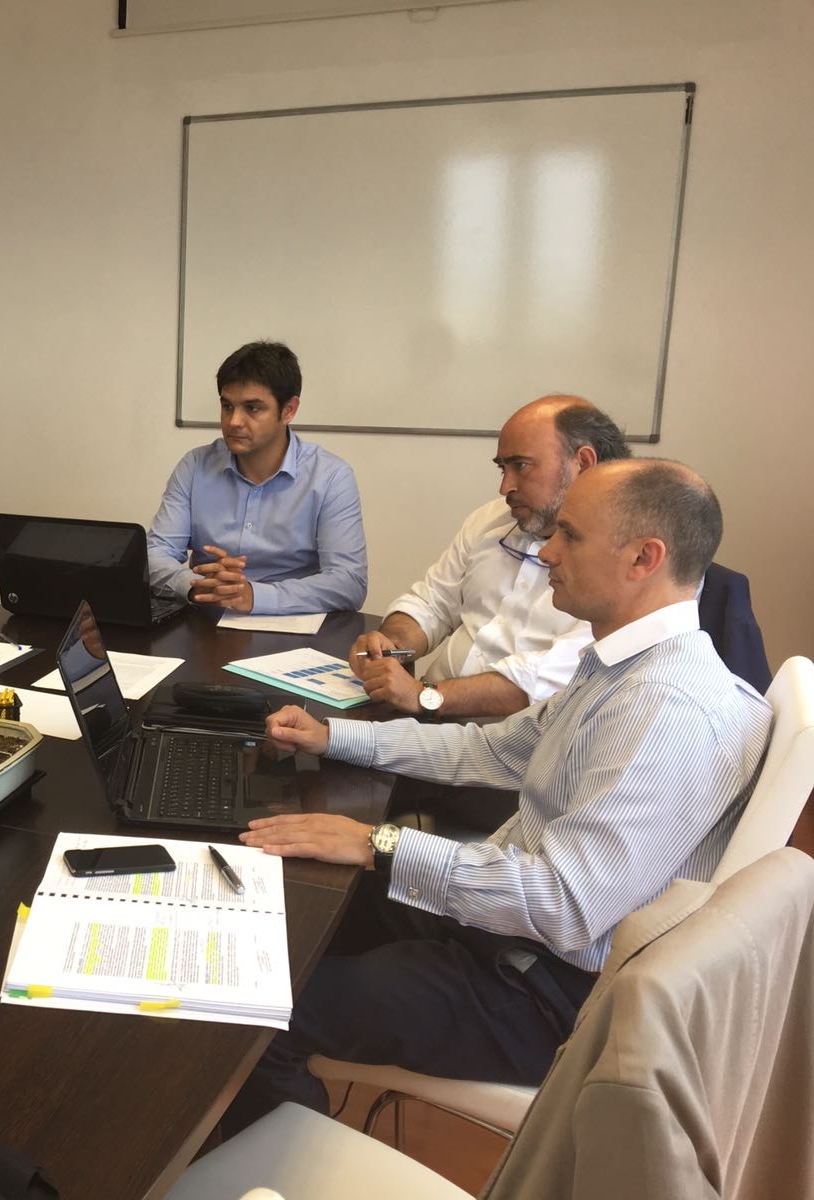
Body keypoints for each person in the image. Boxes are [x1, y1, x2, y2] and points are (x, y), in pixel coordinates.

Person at [218, 458, 772, 1133]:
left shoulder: (666, 711)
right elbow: (491, 750)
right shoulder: (623, 666)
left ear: (643, 559)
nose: (547, 552)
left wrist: (379, 843)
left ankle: (275, 1165)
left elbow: (566, 905)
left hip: (544, 994)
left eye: (570, 535)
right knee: (291, 905)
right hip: (507, 938)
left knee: (251, 1006)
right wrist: (332, 737)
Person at [351, 395, 628, 720]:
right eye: (502, 468)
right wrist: (391, 646)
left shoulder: (624, 560)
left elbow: (553, 678)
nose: (505, 486)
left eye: (521, 466)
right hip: (426, 713)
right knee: (313, 734)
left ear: (583, 463)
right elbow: (433, 602)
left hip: (504, 737)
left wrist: (424, 696)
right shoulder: (491, 519)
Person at [146, 341, 367, 616]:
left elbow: (349, 582)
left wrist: (253, 595)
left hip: (292, 628)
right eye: (227, 406)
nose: (234, 421)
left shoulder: (331, 477)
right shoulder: (195, 466)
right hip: (207, 624)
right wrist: (196, 585)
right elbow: (155, 553)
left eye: (252, 408)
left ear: (289, 410)